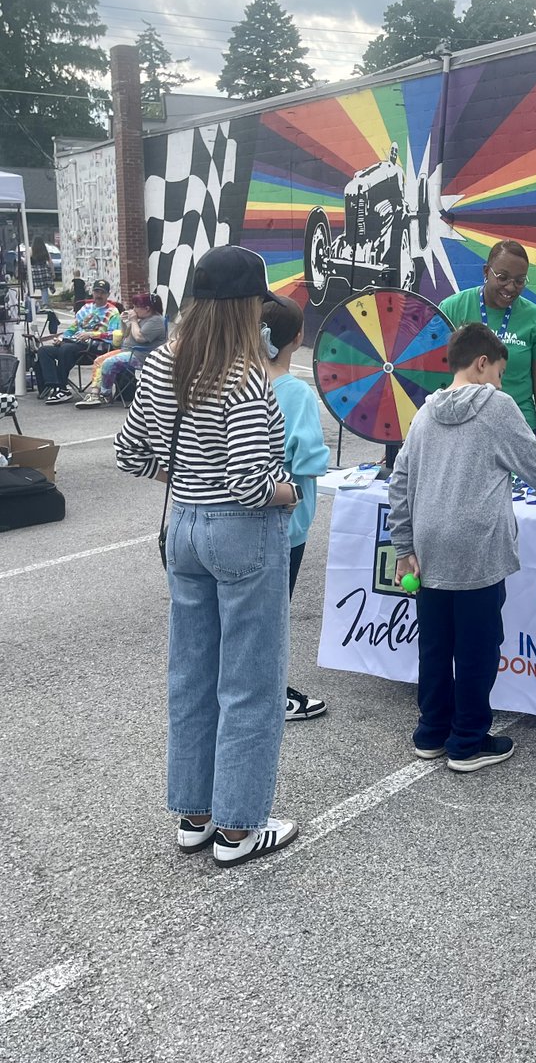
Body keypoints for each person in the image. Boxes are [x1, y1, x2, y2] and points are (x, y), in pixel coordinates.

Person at [114, 244, 302, 868]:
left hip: (185, 529)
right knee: (250, 680)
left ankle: (194, 815)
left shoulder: (164, 362)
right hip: (241, 530)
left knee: (191, 675)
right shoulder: (245, 374)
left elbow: (131, 454)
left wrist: (188, 467)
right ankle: (240, 827)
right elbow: (251, 481)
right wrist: (288, 490)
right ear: (249, 306)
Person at [387, 322, 536, 772]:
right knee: (477, 645)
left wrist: (402, 547)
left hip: (429, 546)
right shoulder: (497, 406)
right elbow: (533, 460)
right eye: (498, 373)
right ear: (481, 364)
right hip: (478, 547)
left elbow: (400, 480)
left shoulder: (426, 410)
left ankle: (431, 731)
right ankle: (469, 740)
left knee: (435, 644)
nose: (499, 383)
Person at [261, 294, 331, 722]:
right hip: (287, 523)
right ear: (299, 337)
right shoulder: (298, 394)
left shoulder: (242, 383)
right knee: (273, 615)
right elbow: (307, 458)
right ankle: (271, 692)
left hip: (242, 515)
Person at [438, 240, 536, 460]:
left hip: (518, 427)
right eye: (502, 277)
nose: (511, 287)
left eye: (519, 281)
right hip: (461, 425)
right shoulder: (452, 308)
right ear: (486, 271)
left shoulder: (535, 318)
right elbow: (424, 373)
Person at [37, 278, 122, 404]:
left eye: (102, 293)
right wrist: (61, 338)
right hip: (74, 342)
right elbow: (72, 328)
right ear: (92, 293)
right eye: (96, 292)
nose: (99, 295)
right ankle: (55, 386)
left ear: (108, 294)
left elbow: (114, 335)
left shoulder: (113, 312)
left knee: (66, 349)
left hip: (94, 346)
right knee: (44, 350)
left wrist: (92, 334)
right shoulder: (85, 309)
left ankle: (62, 388)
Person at [76, 292, 167, 408]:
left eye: (136, 307)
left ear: (147, 308)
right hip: (128, 352)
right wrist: (123, 322)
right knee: (100, 360)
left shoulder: (156, 320)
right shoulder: (141, 318)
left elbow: (140, 338)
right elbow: (125, 334)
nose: (133, 310)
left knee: (109, 363)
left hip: (142, 355)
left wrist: (133, 321)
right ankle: (94, 395)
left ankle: (106, 395)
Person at [29, 238, 53, 311]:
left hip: (34, 271)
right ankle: (45, 304)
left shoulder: (31, 250)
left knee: (31, 287)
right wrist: (52, 272)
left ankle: (30, 302)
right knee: (44, 289)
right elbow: (50, 262)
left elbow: (27, 262)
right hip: (44, 270)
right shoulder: (45, 251)